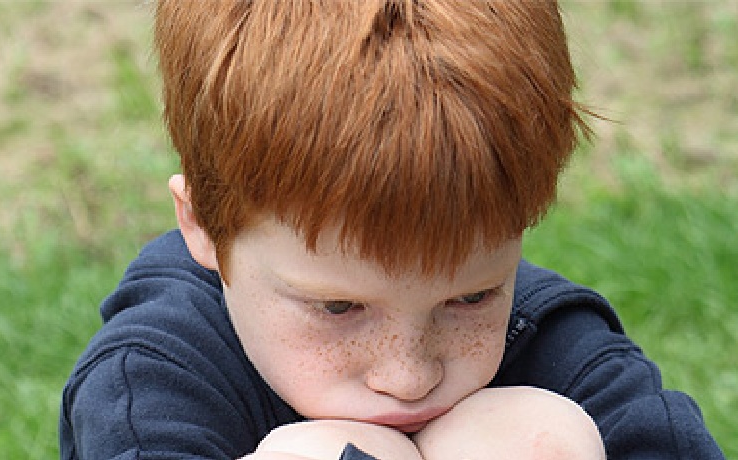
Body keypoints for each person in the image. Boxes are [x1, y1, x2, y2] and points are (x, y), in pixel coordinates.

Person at [59, 1, 726, 459]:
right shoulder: (152, 386)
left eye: (471, 297)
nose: (408, 376)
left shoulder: (556, 344)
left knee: (531, 438)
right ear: (202, 225)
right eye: (338, 306)